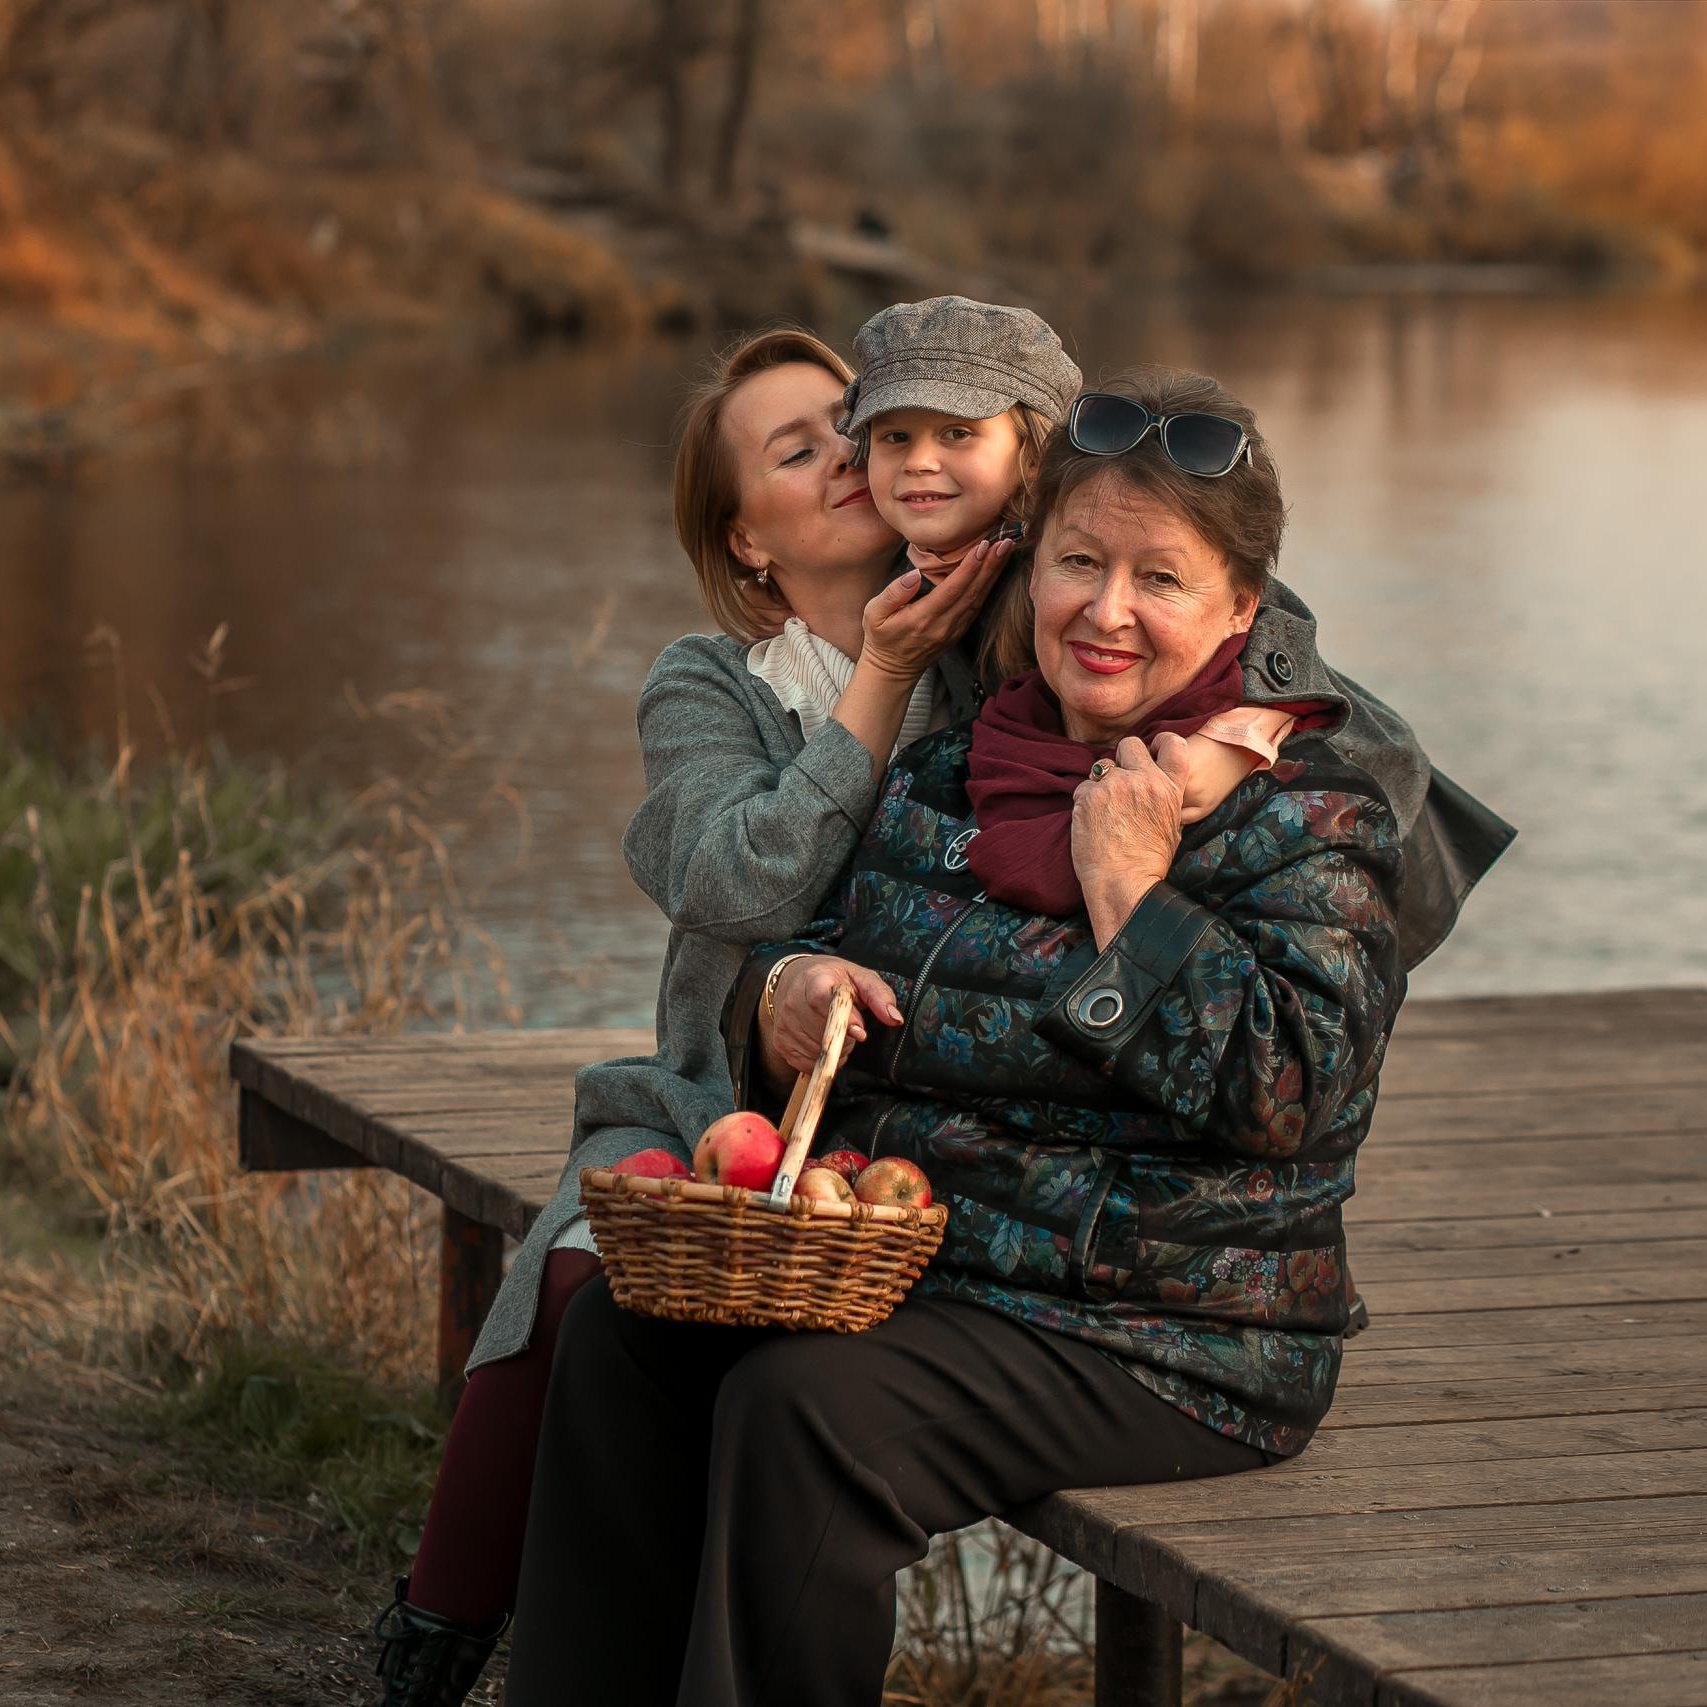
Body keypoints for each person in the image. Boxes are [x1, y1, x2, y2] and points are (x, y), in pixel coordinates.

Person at [503, 366, 1497, 1706]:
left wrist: (1136, 897)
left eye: (1162, 579)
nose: (1107, 609)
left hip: (1168, 1331)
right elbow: (841, 956)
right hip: (944, 1273)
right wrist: (789, 997)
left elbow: (1291, 1095)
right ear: (1031, 572)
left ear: (1243, 610)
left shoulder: (1305, 814)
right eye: (1079, 562)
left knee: (804, 1414)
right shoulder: (960, 762)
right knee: (631, 1333)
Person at [368, 328, 1008, 1706]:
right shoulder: (712, 684)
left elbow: (1198, 573)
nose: (851, 457)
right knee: (587, 1280)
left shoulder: (1000, 637)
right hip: (718, 1107)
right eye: (799, 450)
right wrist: (877, 685)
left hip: (914, 1134)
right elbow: (730, 875)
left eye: (858, 425)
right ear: (748, 539)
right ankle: (430, 1647)